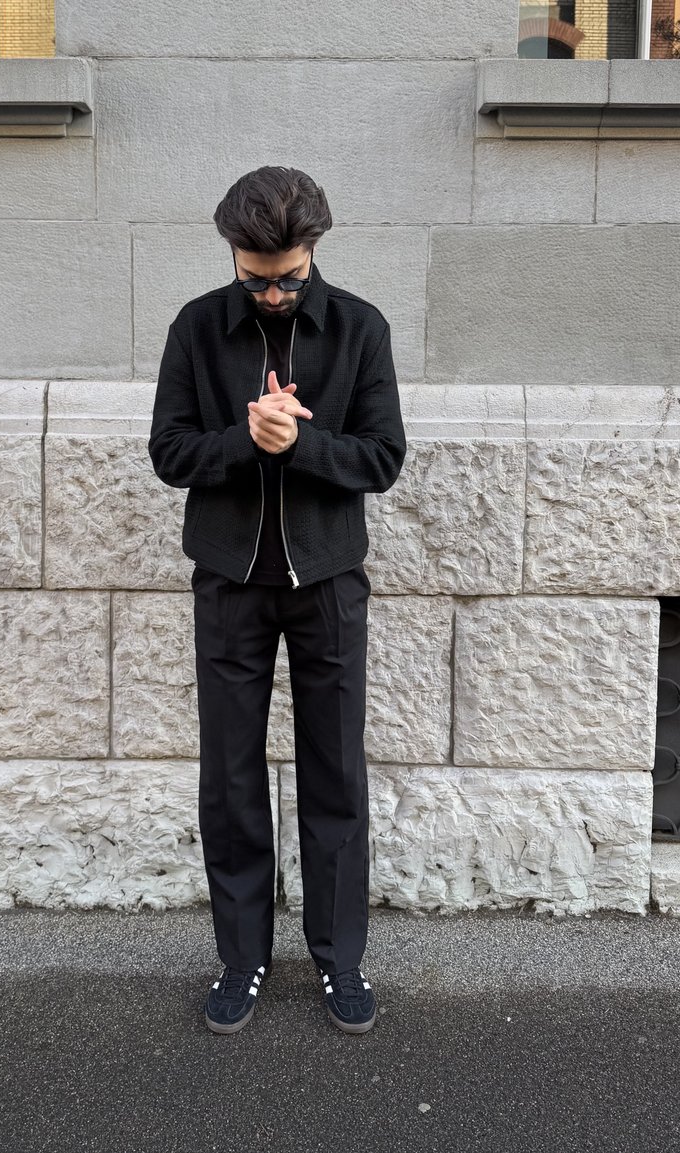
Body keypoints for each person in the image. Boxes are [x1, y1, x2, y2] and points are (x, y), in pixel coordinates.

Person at [149, 166, 406, 1035]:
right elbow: (170, 452)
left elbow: (381, 459)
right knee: (228, 776)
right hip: (228, 581)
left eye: (287, 276)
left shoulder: (361, 328)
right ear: (231, 254)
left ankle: (341, 961)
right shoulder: (195, 327)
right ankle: (241, 958)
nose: (270, 292)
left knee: (336, 771)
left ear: (314, 254)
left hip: (328, 581)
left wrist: (298, 444)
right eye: (254, 275)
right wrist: (243, 438)